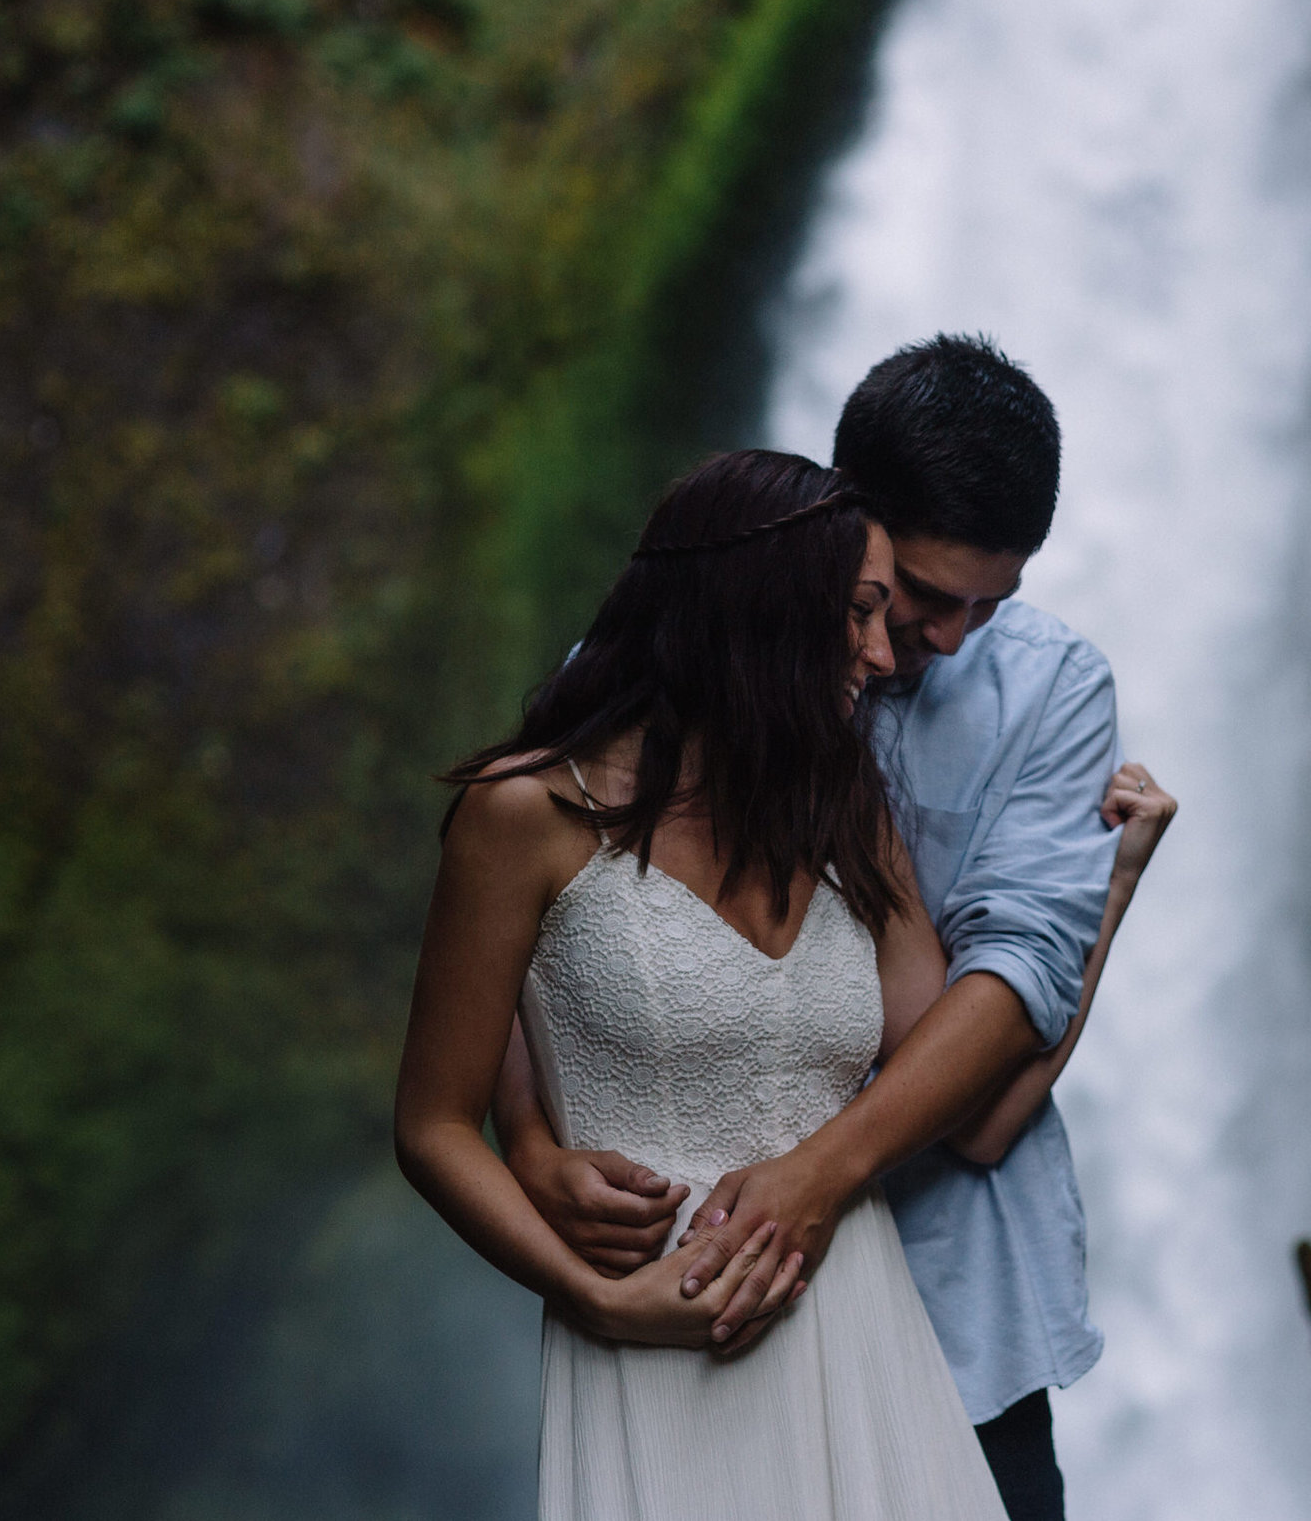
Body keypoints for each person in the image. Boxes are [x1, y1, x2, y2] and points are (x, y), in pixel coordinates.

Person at [500, 337, 1173, 1521]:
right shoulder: (650, 674)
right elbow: (524, 939)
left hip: (959, 1324)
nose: (951, 636)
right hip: (699, 1324)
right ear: (841, 520)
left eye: (990, 602)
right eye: (921, 595)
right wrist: (529, 1139)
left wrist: (819, 1173)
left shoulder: (1054, 687)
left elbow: (1011, 988)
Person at [396, 450, 1011, 1519]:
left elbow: (952, 1058)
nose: (881, 651)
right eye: (858, 613)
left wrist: (1111, 889)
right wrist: (593, 1293)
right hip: (652, 1339)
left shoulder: (841, 801)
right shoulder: (522, 813)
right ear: (759, 607)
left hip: (862, 1328)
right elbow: (431, 1123)